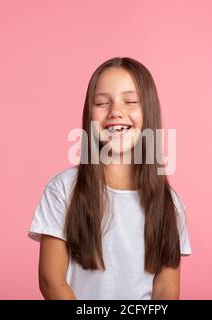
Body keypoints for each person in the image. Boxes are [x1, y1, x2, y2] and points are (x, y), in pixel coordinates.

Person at [28, 57, 192, 299]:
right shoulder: (63, 189)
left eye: (131, 101)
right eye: (102, 102)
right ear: (89, 115)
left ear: (149, 112)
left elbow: (166, 290)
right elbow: (51, 281)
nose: (116, 111)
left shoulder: (169, 203)